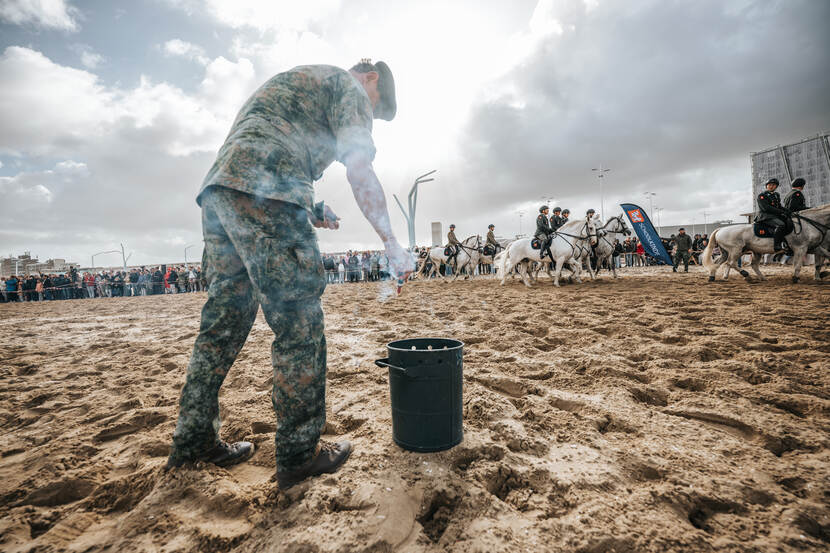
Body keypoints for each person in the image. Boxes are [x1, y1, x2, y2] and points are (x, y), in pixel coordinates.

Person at [166, 58, 411, 490]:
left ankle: (193, 443)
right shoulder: (350, 88)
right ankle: (299, 455)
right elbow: (358, 168)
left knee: (221, 325)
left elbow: (268, 148)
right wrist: (391, 241)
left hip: (222, 194)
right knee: (299, 323)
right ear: (370, 79)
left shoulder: (302, 81)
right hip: (268, 189)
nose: (368, 115)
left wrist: (311, 207)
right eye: (375, 108)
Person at [755, 177, 792, 252]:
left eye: (773, 185)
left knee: (790, 221)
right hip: (765, 216)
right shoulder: (762, 196)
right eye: (769, 185)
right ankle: (777, 245)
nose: (771, 186)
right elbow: (766, 208)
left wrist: (788, 211)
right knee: (780, 225)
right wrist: (781, 212)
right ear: (766, 186)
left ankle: (787, 243)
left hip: (774, 216)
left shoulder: (776, 195)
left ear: (776, 187)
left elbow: (779, 206)